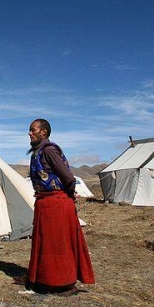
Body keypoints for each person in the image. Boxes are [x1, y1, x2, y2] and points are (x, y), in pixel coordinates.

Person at [25, 118, 95, 296]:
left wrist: (69, 194)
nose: (29, 133)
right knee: (46, 244)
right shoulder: (38, 152)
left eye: (33, 130)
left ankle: (64, 283)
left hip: (57, 203)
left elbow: (68, 177)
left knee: (58, 245)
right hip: (46, 203)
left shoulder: (49, 150)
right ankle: (46, 280)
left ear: (44, 132)